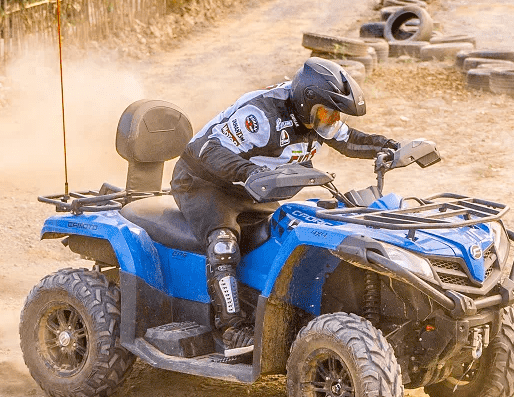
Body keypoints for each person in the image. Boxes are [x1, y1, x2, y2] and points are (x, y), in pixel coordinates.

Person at [170, 57, 400, 357]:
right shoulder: (262, 116)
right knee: (224, 245)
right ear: (307, 101)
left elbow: (350, 141)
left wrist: (389, 146)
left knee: (281, 239)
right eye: (326, 113)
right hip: (203, 183)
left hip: (254, 188)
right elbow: (204, 149)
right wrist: (249, 173)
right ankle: (231, 329)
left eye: (334, 115)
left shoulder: (319, 120)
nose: (331, 120)